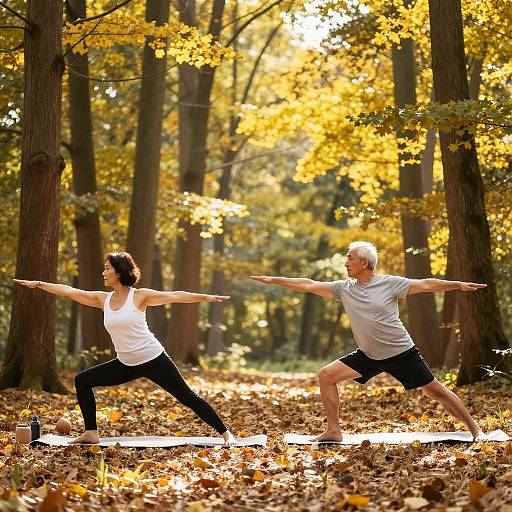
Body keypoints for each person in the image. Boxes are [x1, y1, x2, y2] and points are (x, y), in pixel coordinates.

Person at [251, 240, 487, 442]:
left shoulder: (389, 283)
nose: (346, 263)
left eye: (350, 258)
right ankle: (333, 431)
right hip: (368, 355)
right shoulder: (344, 289)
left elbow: (425, 284)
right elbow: (308, 284)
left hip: (401, 352)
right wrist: (275, 280)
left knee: (436, 391)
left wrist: (458, 285)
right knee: (326, 376)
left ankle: (475, 430)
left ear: (364, 263)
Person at [14, 251, 237, 445]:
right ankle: (91, 433)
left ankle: (226, 433)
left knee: (187, 396)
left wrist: (205, 297)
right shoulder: (103, 299)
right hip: (126, 363)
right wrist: (40, 285)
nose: (103, 273)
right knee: (82, 381)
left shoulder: (140, 296)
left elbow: (175, 295)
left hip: (152, 358)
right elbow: (70, 291)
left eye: (107, 269)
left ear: (119, 272)